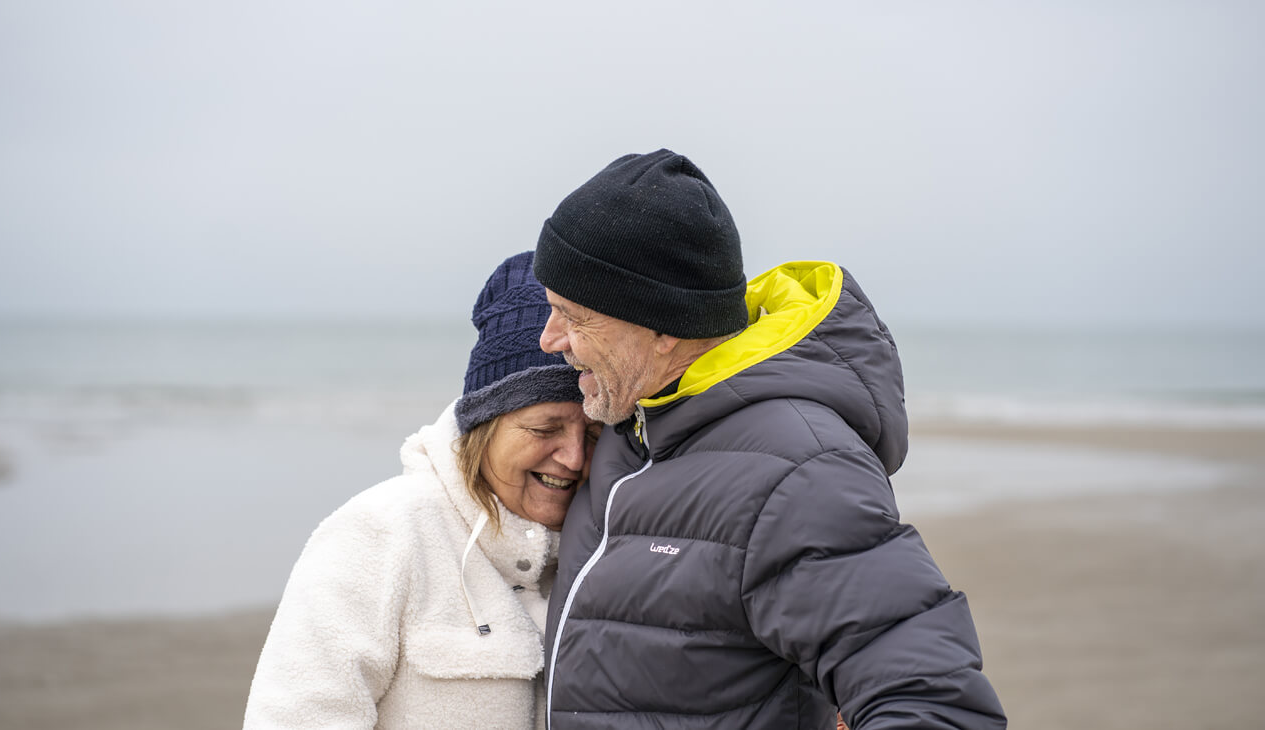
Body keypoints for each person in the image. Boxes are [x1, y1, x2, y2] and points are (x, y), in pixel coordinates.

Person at [532, 149, 1007, 729]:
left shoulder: (801, 473)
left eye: (573, 316)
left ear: (662, 325)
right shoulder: (631, 426)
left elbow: (935, 703)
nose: (549, 339)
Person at [243, 251, 601, 730]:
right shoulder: (382, 534)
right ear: (483, 425)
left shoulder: (607, 549)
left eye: (594, 434)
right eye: (544, 429)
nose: (574, 457)